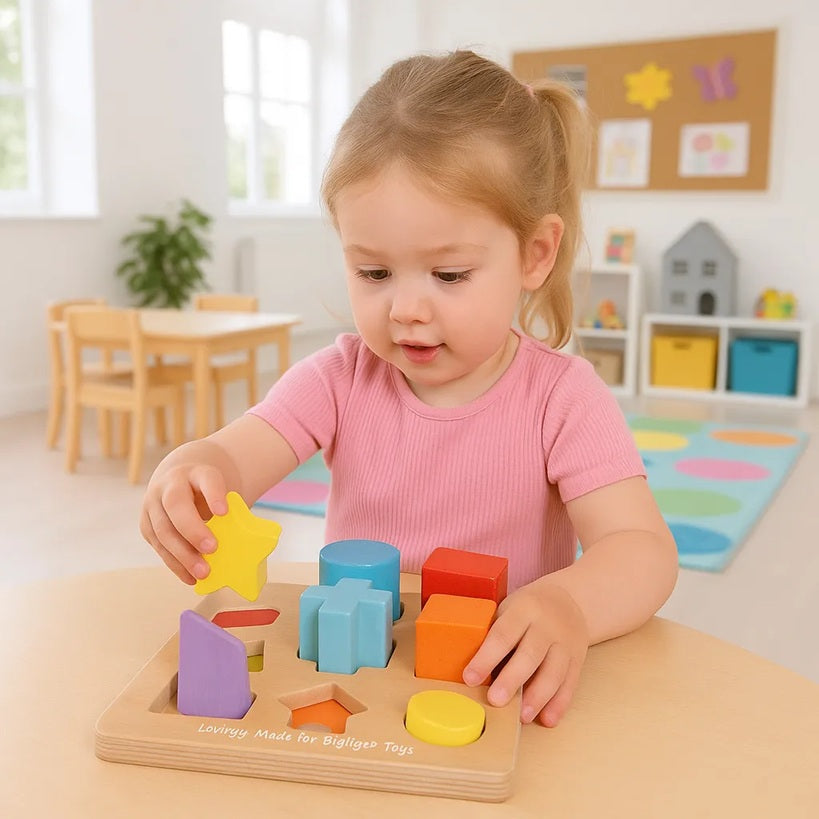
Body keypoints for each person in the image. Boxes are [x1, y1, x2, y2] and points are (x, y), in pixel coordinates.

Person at [140, 50, 678, 728]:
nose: (406, 310)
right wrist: (191, 470)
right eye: (373, 273)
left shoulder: (562, 396)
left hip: (490, 682)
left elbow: (642, 549)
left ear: (534, 254)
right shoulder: (338, 378)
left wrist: (569, 604)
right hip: (356, 679)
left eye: (448, 275)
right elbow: (234, 456)